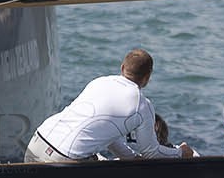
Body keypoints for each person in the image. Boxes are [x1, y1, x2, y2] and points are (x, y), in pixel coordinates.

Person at [26, 49, 194, 162]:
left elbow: (107, 135)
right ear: (147, 77)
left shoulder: (99, 82)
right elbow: (151, 152)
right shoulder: (141, 105)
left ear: (122, 67)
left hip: (38, 140)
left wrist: (131, 157)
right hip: (65, 157)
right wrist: (180, 152)